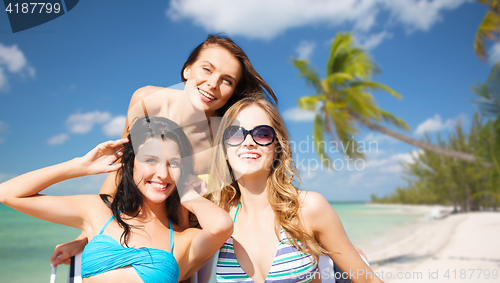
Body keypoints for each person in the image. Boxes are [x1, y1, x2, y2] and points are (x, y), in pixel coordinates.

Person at [50, 34, 278, 272]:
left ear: (232, 92)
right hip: (132, 226)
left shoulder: (223, 136)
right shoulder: (147, 101)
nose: (213, 83)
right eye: (207, 69)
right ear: (187, 70)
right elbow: (122, 169)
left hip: (186, 237)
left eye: (227, 80)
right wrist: (85, 236)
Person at [0, 117, 233, 282]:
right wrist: (80, 166)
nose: (162, 173)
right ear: (131, 164)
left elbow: (221, 226)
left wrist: (188, 192)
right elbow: (8, 193)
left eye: (173, 163)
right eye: (150, 160)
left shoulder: (183, 239)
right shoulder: (99, 211)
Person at [209, 96, 383, 283]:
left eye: (262, 134)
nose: (249, 142)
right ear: (224, 150)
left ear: (277, 148)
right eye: (235, 133)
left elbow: (367, 280)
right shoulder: (216, 217)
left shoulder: (307, 208)